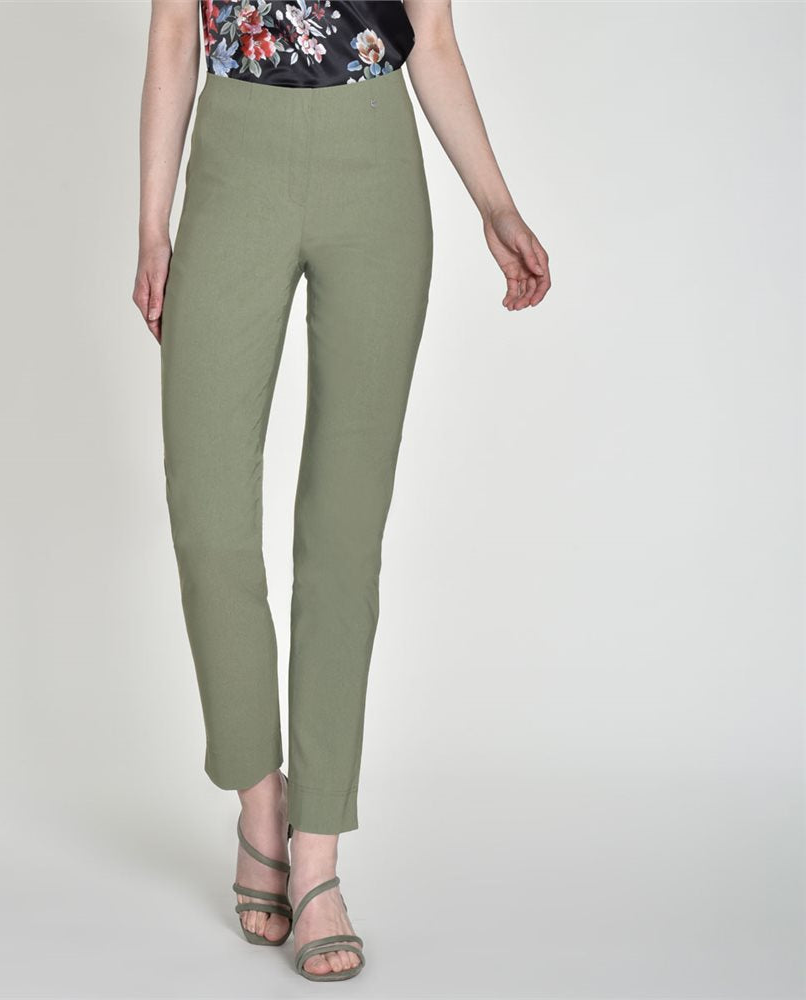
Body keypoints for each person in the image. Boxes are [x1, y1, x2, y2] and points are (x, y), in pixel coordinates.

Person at [133, 0, 551, 982]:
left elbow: (432, 40)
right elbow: (172, 36)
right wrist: (151, 225)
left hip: (376, 165)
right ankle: (261, 801)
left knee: (343, 529)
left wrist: (494, 203)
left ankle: (316, 854)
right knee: (207, 514)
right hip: (235, 159)